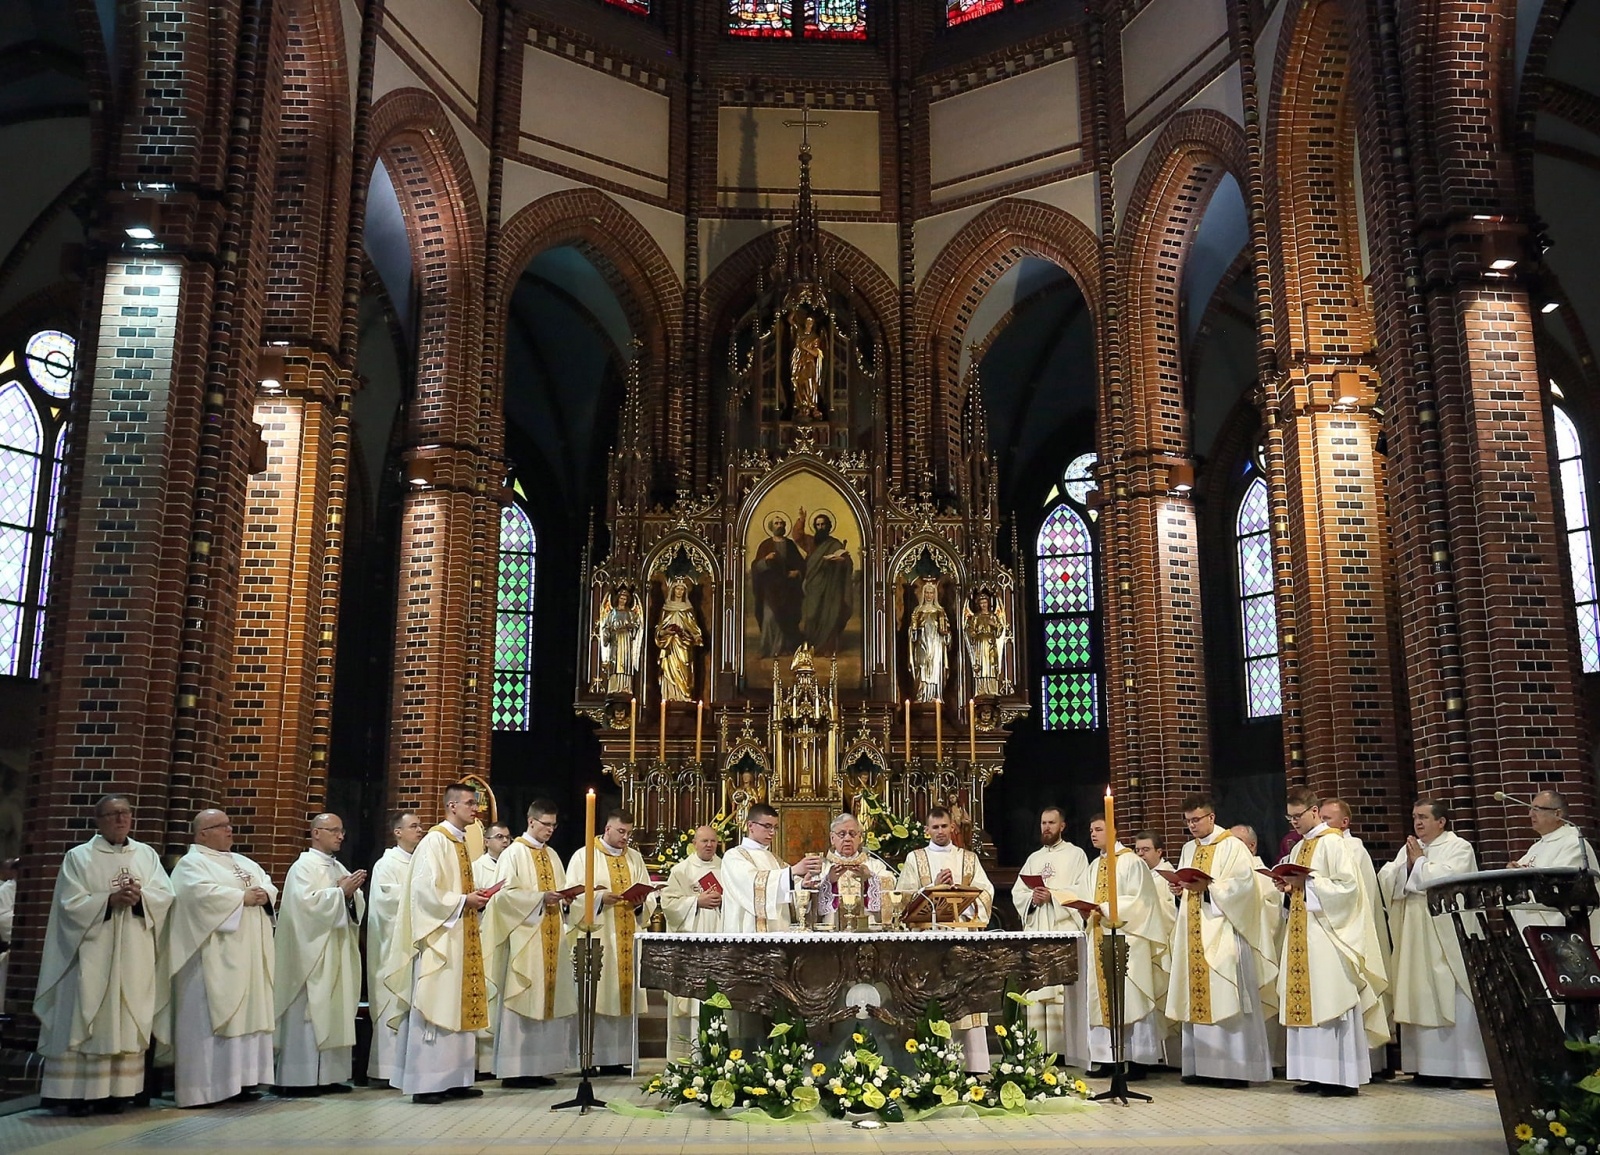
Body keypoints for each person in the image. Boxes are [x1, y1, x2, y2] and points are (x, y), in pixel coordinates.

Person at [34, 795, 173, 1115]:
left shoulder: (146, 855)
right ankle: (76, 1094)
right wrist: (107, 901)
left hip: (132, 953)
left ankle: (117, 1092)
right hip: (90, 953)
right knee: (87, 1013)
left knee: (127, 1011)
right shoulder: (79, 857)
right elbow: (69, 905)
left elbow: (165, 897)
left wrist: (140, 898)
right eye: (112, 814)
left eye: (125, 813)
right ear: (98, 820)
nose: (120, 819)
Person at [383, 783, 495, 1103]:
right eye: (470, 803)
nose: (476, 809)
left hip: (461, 933)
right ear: (451, 806)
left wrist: (475, 898)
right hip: (442, 938)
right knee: (437, 1003)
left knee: (459, 1004)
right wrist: (463, 900)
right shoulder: (435, 841)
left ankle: (456, 1078)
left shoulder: (460, 843)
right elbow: (423, 892)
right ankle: (426, 1083)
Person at [1273, 786, 1388, 1096]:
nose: (1294, 822)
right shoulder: (1298, 848)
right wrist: (1286, 885)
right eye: (1289, 817)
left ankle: (1340, 1077)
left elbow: (1349, 890)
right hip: (1301, 934)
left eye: (1298, 816)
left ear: (1313, 811)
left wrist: (1308, 882)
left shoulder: (1334, 845)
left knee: (1330, 1001)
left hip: (1329, 937)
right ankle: (1312, 1073)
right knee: (1307, 1001)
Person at [164, 809, 278, 1107]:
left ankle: (243, 1082)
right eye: (222, 826)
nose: (230, 830)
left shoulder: (243, 862)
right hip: (212, 958)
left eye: (229, 825)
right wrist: (240, 898)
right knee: (211, 1015)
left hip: (248, 955)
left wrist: (265, 894)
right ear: (202, 833)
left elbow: (268, 883)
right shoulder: (191, 864)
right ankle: (205, 1089)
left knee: (247, 1013)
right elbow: (194, 896)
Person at [1163, 795, 1276, 1088]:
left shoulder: (1233, 846)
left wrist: (1210, 887)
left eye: (1196, 820)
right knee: (1195, 995)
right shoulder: (1189, 848)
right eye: (1187, 821)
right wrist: (1180, 888)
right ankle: (1200, 1066)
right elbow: (1189, 886)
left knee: (1226, 995)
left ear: (1211, 817)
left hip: (1224, 931)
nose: (1191, 827)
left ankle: (1233, 1071)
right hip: (1193, 933)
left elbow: (1244, 887)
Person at [1377, 800, 1490, 1087]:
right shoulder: (1410, 848)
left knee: (1451, 994)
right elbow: (1386, 877)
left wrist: (1419, 865)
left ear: (1441, 822)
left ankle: (1465, 1070)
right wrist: (1410, 867)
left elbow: (1451, 878)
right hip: (1415, 934)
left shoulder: (1459, 847)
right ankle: (1427, 1067)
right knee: (1419, 992)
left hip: (1445, 936)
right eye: (1415, 817)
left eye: (1424, 817)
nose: (1417, 823)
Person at [273, 814, 366, 1096]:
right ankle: (298, 1078)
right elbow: (304, 908)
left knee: (334, 1008)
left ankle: (329, 1076)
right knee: (309, 1012)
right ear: (316, 833)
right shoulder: (302, 867)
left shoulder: (338, 865)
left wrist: (350, 895)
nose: (340, 836)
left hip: (334, 951)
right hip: (309, 956)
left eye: (342, 830)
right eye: (334, 830)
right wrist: (340, 892)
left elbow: (353, 909)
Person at [485, 799, 575, 1088]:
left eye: (554, 825)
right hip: (526, 941)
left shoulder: (553, 856)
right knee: (523, 1000)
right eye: (545, 824)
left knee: (547, 1001)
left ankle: (539, 1067)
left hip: (551, 937)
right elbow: (502, 897)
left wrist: (567, 899)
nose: (550, 830)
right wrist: (539, 899)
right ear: (531, 821)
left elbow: (559, 892)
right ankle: (516, 1070)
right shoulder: (514, 854)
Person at [897, 806, 994, 1071]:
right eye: (935, 827)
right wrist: (932, 887)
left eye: (944, 826)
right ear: (926, 830)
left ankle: (972, 1066)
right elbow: (902, 899)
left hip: (962, 938)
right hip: (928, 942)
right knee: (932, 1000)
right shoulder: (915, 859)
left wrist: (961, 893)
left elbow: (986, 892)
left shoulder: (968, 859)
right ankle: (932, 1065)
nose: (940, 831)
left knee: (965, 1000)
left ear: (953, 827)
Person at [564, 808, 651, 1074]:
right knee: (598, 997)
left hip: (627, 935)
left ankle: (618, 1059)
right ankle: (591, 1059)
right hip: (600, 935)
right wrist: (601, 898)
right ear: (607, 829)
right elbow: (573, 895)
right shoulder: (584, 856)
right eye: (621, 832)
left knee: (623, 996)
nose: (625, 838)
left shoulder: (634, 857)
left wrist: (640, 903)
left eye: (629, 833)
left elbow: (648, 892)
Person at [1083, 817, 1169, 1077]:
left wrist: (1105, 908)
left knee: (1131, 997)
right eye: (1091, 830)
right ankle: (1108, 1059)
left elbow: (1142, 901)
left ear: (1113, 830)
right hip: (1099, 936)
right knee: (1101, 998)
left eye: (1098, 829)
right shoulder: (1094, 865)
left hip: (1128, 938)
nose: (1093, 834)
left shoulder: (1132, 862)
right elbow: (1086, 896)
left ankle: (1138, 1059)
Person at [1010, 806, 1091, 1069]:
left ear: (1062, 826)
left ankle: (1064, 1051)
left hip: (1062, 931)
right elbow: (1018, 892)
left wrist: (1053, 897)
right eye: (1043, 823)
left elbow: (1082, 890)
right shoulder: (1034, 858)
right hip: (1038, 933)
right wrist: (1032, 900)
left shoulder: (1076, 855)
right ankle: (1038, 1050)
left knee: (1059, 992)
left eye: (1051, 823)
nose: (1046, 827)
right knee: (1038, 992)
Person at [1319, 798, 1393, 1077]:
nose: (1322, 823)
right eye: (1321, 817)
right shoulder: (1320, 845)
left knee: (1359, 992)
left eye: (1327, 818)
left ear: (1344, 822)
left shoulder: (1353, 848)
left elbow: (1354, 897)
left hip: (1351, 932)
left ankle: (1367, 1065)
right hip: (1329, 930)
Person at [367, 810, 423, 1085]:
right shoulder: (386, 864)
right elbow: (386, 904)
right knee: (392, 1002)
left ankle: (409, 1068)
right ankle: (385, 1070)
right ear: (397, 832)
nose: (420, 830)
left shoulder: (421, 862)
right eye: (413, 826)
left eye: (420, 825)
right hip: (393, 948)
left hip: (415, 945)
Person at [659, 825, 723, 1060]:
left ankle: (720, 1057)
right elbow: (668, 905)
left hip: (721, 943)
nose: (709, 845)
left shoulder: (727, 868)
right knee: (694, 1002)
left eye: (713, 841)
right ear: (694, 843)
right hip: (693, 947)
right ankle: (689, 1060)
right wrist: (697, 901)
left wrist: (723, 902)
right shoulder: (681, 871)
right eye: (704, 841)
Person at [1230, 822, 1286, 1069]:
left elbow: (1272, 914)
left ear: (1252, 846)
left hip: (1257, 949)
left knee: (1262, 1004)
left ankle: (1267, 1061)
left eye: (1237, 844)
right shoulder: (1228, 874)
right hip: (1233, 952)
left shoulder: (1262, 874)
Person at [721, 803, 823, 933]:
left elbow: (785, 893)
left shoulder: (774, 859)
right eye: (767, 826)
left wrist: (803, 885)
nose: (772, 832)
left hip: (778, 932)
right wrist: (793, 871)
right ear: (750, 826)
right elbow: (752, 884)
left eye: (775, 827)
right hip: (747, 933)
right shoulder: (734, 856)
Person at [817, 813, 896, 929]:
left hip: (869, 930)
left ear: (860, 838)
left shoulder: (874, 865)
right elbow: (807, 898)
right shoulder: (822, 866)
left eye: (852, 834)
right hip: (831, 931)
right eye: (842, 834)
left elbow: (890, 882)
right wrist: (828, 881)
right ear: (832, 838)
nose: (847, 839)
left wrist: (870, 878)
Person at [794, 509, 852, 654]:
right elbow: (797, 537)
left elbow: (847, 561)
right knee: (812, 615)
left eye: (823, 524)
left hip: (831, 586)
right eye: (818, 525)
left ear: (828, 526)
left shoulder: (835, 543)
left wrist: (841, 560)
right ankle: (811, 644)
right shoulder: (811, 542)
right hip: (814, 585)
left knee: (830, 614)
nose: (820, 527)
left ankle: (828, 647)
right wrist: (801, 520)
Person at [751, 514, 805, 657]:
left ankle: (784, 648)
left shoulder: (790, 544)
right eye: (776, 523)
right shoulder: (765, 545)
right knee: (769, 618)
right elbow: (756, 567)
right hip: (770, 588)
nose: (779, 525)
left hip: (788, 588)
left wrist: (797, 572)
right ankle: (767, 648)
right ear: (771, 527)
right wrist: (765, 559)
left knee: (787, 617)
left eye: (781, 523)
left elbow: (800, 564)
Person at [655, 576, 704, 702]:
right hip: (669, 645)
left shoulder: (688, 609)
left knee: (684, 669)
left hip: (683, 644)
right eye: (677, 589)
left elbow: (693, 627)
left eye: (682, 589)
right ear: (673, 590)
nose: (679, 592)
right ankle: (669, 695)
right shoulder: (666, 608)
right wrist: (665, 631)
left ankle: (683, 696)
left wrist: (696, 636)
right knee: (669, 670)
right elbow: (659, 629)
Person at [597, 584, 645, 695]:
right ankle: (614, 686)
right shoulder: (612, 613)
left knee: (625, 663)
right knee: (615, 663)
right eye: (621, 598)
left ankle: (625, 686)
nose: (623, 600)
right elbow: (605, 627)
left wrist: (632, 627)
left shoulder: (630, 613)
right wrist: (609, 631)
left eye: (625, 598)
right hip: (615, 641)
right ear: (617, 599)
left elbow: (636, 627)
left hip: (626, 641)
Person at [907, 579, 949, 703]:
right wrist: (914, 629)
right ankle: (922, 694)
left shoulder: (940, 611)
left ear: (935, 594)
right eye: (927, 593)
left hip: (936, 645)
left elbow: (947, 633)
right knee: (922, 666)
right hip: (922, 644)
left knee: (935, 667)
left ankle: (935, 695)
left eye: (931, 593)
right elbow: (912, 634)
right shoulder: (918, 611)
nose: (929, 595)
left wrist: (946, 634)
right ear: (923, 594)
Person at [962, 590, 1010, 698]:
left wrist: (995, 626)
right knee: (981, 665)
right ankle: (981, 688)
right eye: (981, 603)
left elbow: (1000, 631)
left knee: (991, 665)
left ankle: (992, 688)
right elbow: (970, 630)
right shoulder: (976, 617)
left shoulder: (993, 616)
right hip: (980, 644)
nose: (983, 605)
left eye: (985, 602)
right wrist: (974, 634)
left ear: (988, 603)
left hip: (991, 643)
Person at [473, 823, 512, 891]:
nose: (505, 841)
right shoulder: (476, 868)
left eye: (508, 837)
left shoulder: (514, 864)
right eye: (500, 837)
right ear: (486, 842)